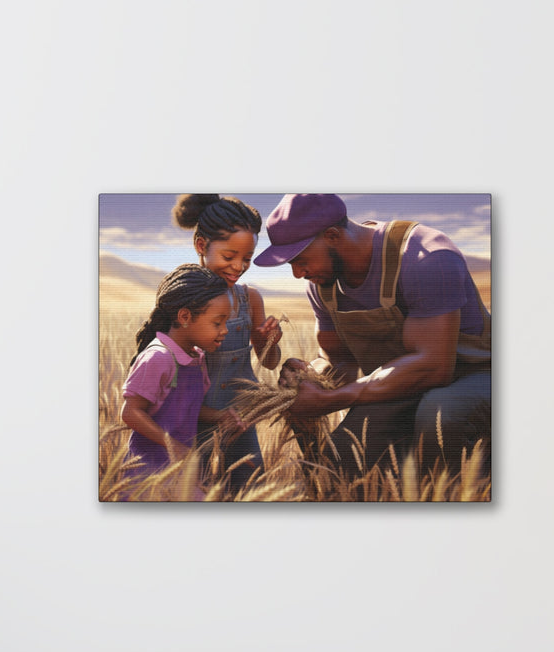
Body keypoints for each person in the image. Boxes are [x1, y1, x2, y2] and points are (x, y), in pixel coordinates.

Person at [254, 193, 491, 479]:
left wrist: (328, 401)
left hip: (474, 375)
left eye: (299, 259)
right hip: (398, 384)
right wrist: (306, 380)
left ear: (332, 235)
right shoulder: (322, 284)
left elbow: (434, 368)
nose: (296, 274)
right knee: (338, 466)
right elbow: (337, 361)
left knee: (440, 413)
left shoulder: (426, 258)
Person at [171, 194, 284, 490]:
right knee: (197, 488)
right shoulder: (183, 300)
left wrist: (267, 342)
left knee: (251, 484)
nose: (238, 266)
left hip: (241, 418)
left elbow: (269, 362)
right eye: (229, 256)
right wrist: (213, 416)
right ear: (201, 246)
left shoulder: (250, 298)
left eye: (246, 259)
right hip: (195, 419)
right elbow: (169, 372)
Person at [120, 264, 231, 483]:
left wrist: (221, 417)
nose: (225, 330)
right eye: (217, 322)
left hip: (179, 472)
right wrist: (174, 446)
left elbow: (185, 408)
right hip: (146, 475)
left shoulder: (196, 358)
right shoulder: (158, 358)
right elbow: (130, 412)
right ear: (185, 317)